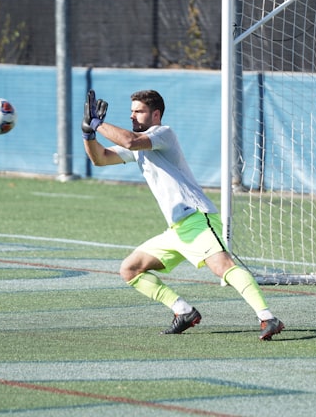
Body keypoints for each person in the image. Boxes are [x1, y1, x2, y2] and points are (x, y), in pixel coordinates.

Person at [81, 89, 284, 340]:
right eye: (131, 111)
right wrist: (88, 133)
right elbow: (100, 158)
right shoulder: (137, 144)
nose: (132, 115)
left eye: (139, 111)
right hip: (176, 229)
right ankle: (183, 311)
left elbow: (130, 141)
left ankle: (267, 317)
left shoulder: (162, 134)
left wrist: (97, 123)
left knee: (223, 267)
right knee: (130, 269)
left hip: (198, 218)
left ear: (156, 114)